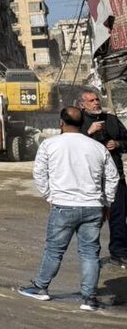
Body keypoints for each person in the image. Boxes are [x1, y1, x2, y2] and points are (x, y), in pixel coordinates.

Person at [18, 106, 119, 312]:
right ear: (83, 124)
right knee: (90, 253)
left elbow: (39, 173)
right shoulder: (96, 147)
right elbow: (112, 177)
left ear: (61, 123)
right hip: (92, 207)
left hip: (63, 205)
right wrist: (106, 202)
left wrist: (50, 195)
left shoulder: (50, 144)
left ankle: (41, 288)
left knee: (55, 250)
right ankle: (89, 299)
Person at [77, 88, 127, 267]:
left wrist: (118, 143)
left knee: (119, 217)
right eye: (91, 101)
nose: (96, 103)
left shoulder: (111, 120)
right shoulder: (79, 123)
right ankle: (90, 257)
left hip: (115, 178)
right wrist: (88, 132)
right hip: (90, 180)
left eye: (97, 99)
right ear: (82, 105)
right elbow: (69, 145)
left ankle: (119, 253)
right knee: (92, 219)